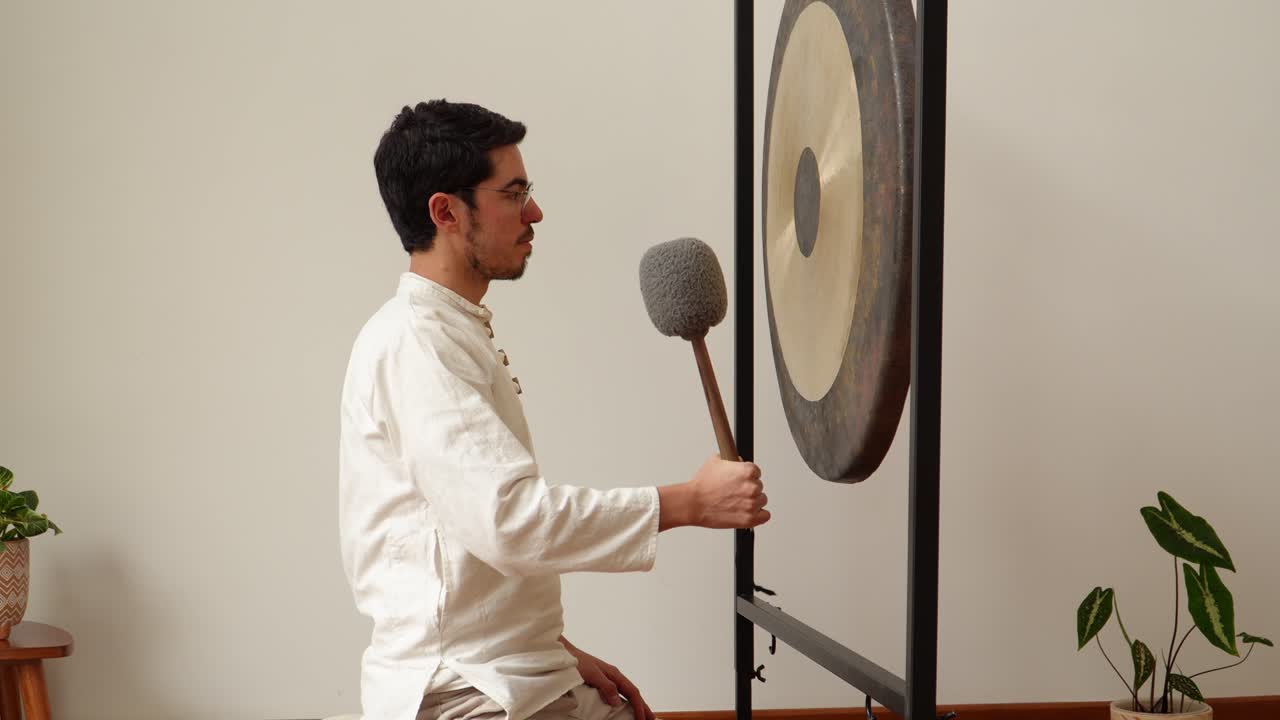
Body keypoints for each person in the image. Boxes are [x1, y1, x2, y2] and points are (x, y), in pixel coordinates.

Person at [338, 99, 770, 720]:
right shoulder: (417, 345)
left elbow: (453, 540)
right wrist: (691, 502)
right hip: (465, 693)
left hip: (499, 667)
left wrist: (551, 647)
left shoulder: (445, 331)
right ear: (446, 211)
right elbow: (508, 523)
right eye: (513, 194)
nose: (534, 212)